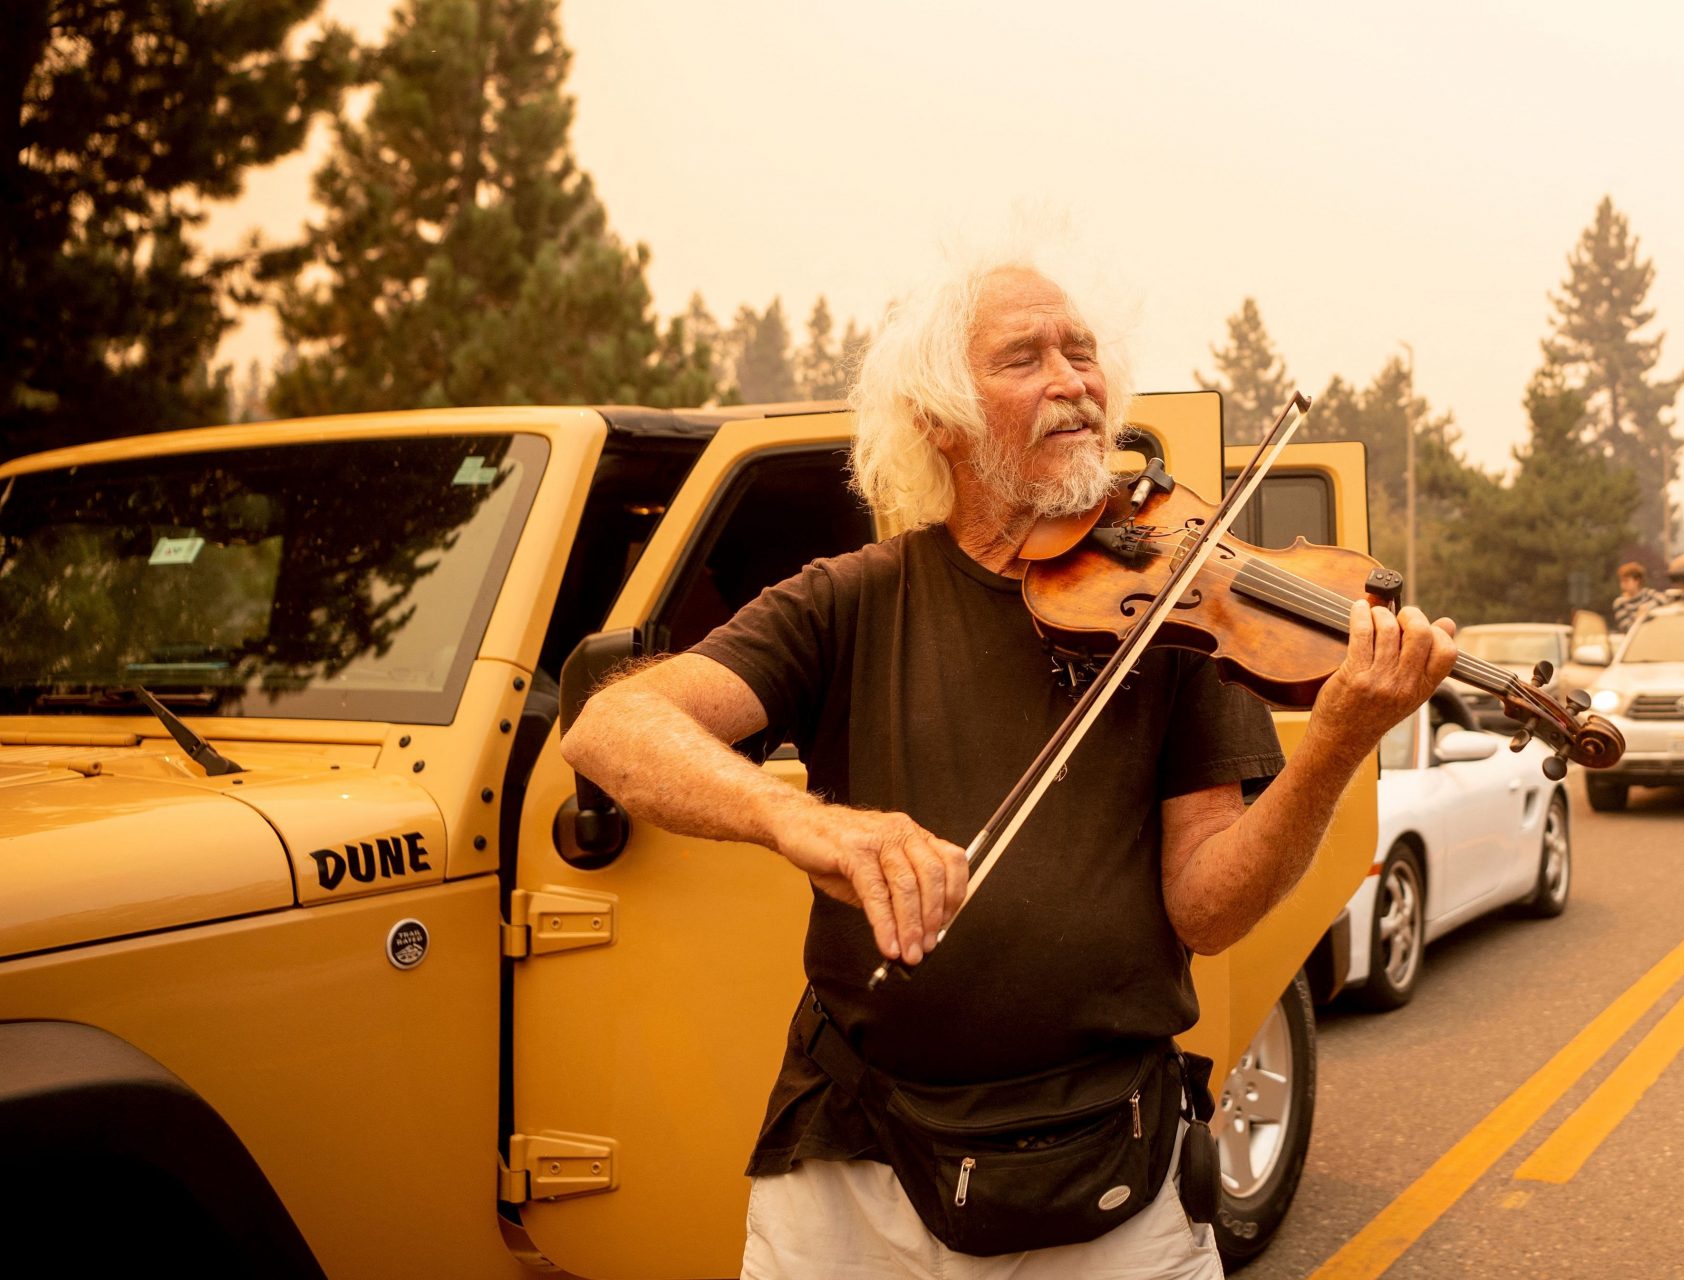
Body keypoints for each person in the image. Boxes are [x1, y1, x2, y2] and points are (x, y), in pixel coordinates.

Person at [559, 261, 1455, 1279]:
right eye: (1024, 358)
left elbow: (1207, 909)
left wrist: (1335, 744)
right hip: (862, 1160)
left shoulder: (1182, 611)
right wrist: (801, 820)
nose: (1072, 379)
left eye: (1082, 353)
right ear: (940, 418)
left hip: (1116, 1155)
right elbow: (615, 723)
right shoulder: (853, 598)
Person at [1611, 561, 1665, 633]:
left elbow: (1665, 599)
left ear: (1637, 581)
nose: (1623, 584)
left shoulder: (1648, 594)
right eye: (1622, 581)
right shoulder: (1620, 603)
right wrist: (1639, 617)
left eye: (1626, 581)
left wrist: (1646, 608)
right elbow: (1626, 628)